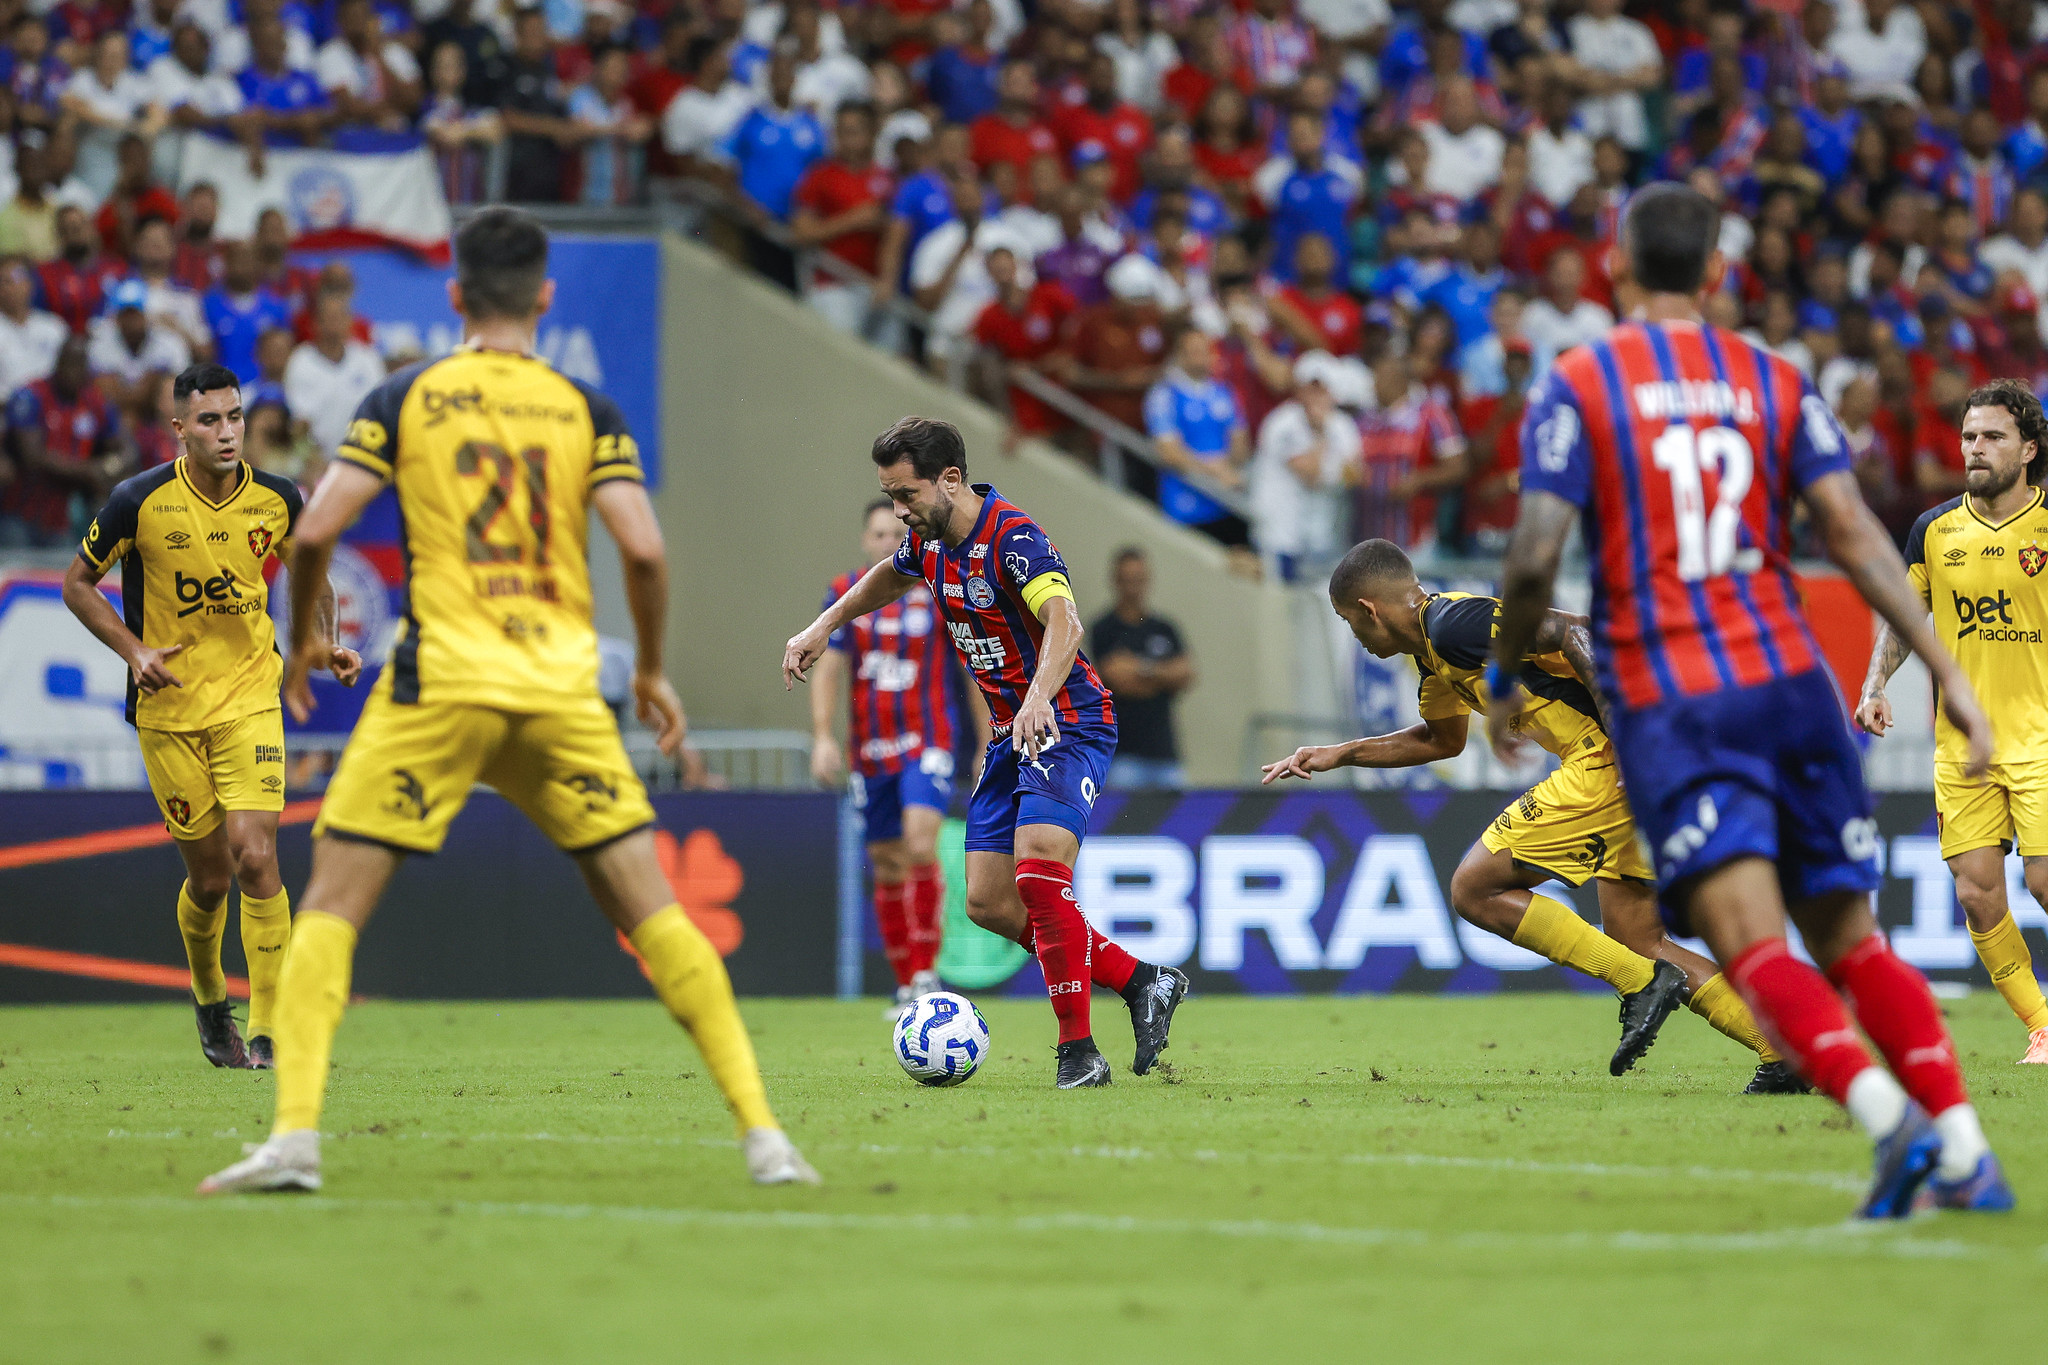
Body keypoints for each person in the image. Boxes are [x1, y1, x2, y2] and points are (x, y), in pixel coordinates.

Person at [198, 208, 818, 1194]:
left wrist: (308, 637)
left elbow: (314, 531)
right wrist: (651, 670)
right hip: (558, 689)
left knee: (330, 909)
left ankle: (296, 1140)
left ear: (455, 297)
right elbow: (644, 549)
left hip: (440, 684)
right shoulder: (584, 407)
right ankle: (765, 1137)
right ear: (545, 298)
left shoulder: (406, 395)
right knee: (653, 913)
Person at [1489, 181, 2013, 1216]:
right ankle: (1965, 1152)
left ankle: (1893, 1125)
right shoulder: (1773, 378)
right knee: (1853, 939)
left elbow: (1535, 553)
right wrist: (1945, 670)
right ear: (1719, 271)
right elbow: (1854, 532)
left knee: (1747, 940)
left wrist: (1505, 675)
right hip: (1792, 683)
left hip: (1679, 697)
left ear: (1615, 268)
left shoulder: (1582, 380)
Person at [1264, 540, 1795, 1088]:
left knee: (1475, 889)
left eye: (1347, 620)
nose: (1354, 633)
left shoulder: (1453, 623)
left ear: (1368, 609)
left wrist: (1624, 731)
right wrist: (1342, 753)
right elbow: (1441, 740)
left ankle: (1641, 982)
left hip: (1607, 759)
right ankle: (1782, 1050)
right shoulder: (1433, 656)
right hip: (1638, 765)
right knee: (1639, 939)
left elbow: (1572, 630)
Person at [783, 416, 1190, 1088]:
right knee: (989, 903)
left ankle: (1079, 1052)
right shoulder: (930, 542)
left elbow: (1065, 620)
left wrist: (1037, 698)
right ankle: (1140, 979)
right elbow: (889, 575)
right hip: (1010, 732)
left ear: (950, 479)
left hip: (1065, 719)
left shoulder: (1012, 538)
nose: (899, 510)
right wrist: (823, 625)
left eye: (906, 494)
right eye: (890, 496)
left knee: (1039, 875)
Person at [61, 362, 361, 1071]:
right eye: (209, 420)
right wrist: (134, 650)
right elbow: (78, 583)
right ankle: (208, 997)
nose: (227, 432)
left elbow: (312, 570)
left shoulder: (277, 498)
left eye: (234, 417)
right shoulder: (138, 501)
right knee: (212, 878)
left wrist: (319, 642)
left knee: (255, 854)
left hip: (251, 695)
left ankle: (268, 1031)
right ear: (180, 429)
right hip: (169, 709)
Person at [1856, 380, 2048, 1063]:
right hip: (1963, 746)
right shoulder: (1934, 530)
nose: (1975, 448)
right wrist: (1875, 684)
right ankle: (2042, 1026)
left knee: (2044, 881)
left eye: (1993, 436)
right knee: (1976, 892)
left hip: (2042, 737)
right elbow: (1907, 617)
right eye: (1969, 436)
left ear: (2029, 449)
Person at [811, 499, 975, 1017]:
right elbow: (830, 668)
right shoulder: (846, 593)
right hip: (870, 749)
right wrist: (822, 736)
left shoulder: (936, 586)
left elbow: (971, 665)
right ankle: (906, 984)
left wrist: (992, 736)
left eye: (895, 533)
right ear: (866, 541)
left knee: (921, 843)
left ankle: (927, 975)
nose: (888, 542)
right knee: (886, 862)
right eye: (878, 534)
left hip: (929, 739)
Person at [0, 335, 127, 548]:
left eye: (80, 364)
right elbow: (33, 457)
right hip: (20, 512)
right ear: (58, 363)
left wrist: (108, 467)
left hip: (61, 519)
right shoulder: (31, 396)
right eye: (69, 363)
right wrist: (87, 471)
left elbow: (125, 449)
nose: (74, 371)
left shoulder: (94, 402)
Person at [1089, 548, 1191, 790]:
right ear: (1116, 581)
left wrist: (1141, 669)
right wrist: (1161, 676)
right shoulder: (1104, 628)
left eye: (1139, 579)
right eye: (1127, 579)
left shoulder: (1165, 628)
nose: (1133, 586)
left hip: (1165, 753)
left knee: (1181, 810)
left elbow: (1185, 674)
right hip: (1123, 754)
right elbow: (1115, 677)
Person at [1143, 324, 1248, 537]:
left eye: (1205, 350)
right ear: (1180, 356)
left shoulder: (1223, 392)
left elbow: (1240, 443)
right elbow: (1168, 451)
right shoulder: (1165, 394)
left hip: (1224, 502)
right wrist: (1214, 471)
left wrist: (1229, 467)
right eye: (1194, 351)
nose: (1201, 357)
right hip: (1185, 504)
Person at [283, 289, 384, 459]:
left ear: (350, 321)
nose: (335, 324)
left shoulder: (367, 359)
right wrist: (313, 459)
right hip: (315, 459)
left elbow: (380, 412)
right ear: (315, 323)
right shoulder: (301, 361)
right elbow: (299, 424)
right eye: (329, 317)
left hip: (363, 455)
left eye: (340, 317)